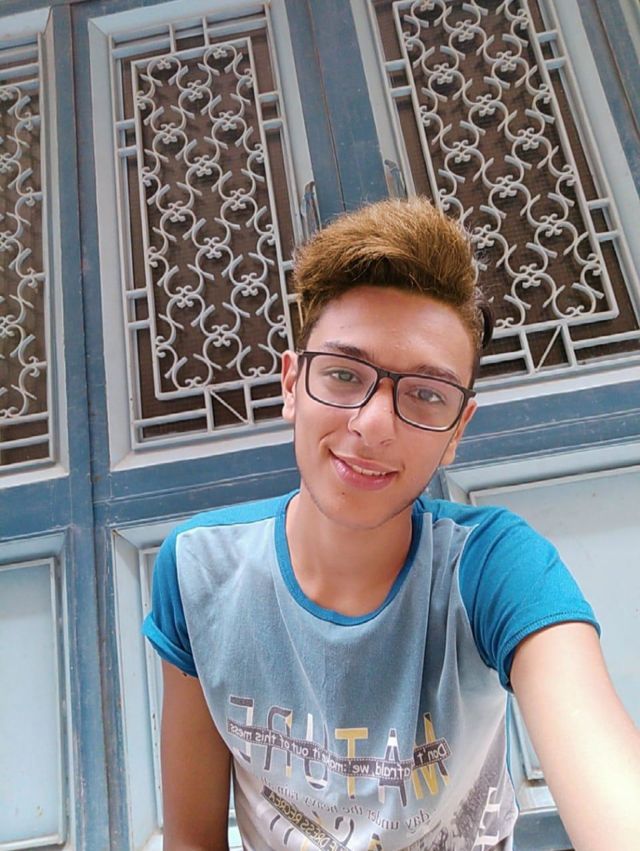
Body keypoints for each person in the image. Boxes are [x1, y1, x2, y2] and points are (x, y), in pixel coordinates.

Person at [143, 198, 640, 851]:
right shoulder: (199, 572)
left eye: (427, 394)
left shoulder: (494, 569)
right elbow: (192, 837)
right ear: (292, 384)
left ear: (458, 429)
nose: (374, 425)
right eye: (343, 374)